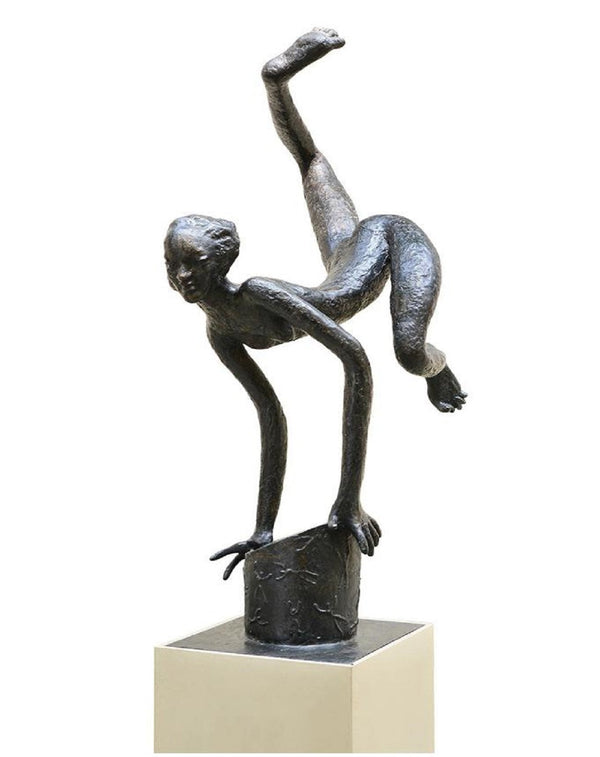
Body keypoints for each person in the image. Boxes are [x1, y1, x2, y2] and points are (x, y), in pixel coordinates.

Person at [165, 28, 467, 579]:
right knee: (310, 164)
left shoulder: (260, 292)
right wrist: (264, 529)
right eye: (172, 265)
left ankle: (439, 368)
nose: (183, 278)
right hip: (345, 255)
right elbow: (271, 416)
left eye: (195, 263)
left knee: (408, 351)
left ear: (220, 262)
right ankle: (275, 79)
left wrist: (348, 499)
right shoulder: (219, 330)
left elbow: (356, 360)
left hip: (391, 243)